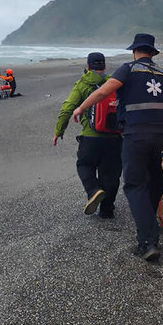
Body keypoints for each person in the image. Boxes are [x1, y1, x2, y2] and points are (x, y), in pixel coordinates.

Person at [72, 33, 163, 262]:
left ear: (134, 51)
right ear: (152, 52)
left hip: (135, 136)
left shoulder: (128, 69)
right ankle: (149, 228)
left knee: (135, 185)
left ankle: (147, 242)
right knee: (155, 183)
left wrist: (81, 108)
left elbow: (103, 92)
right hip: (161, 136)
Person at [53, 52, 123, 218]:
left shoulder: (82, 84)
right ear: (104, 66)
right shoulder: (114, 83)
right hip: (114, 138)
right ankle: (107, 210)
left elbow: (67, 109)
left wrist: (59, 131)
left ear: (88, 66)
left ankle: (93, 190)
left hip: (90, 138)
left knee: (84, 165)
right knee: (111, 174)